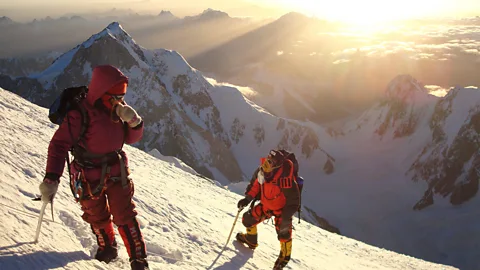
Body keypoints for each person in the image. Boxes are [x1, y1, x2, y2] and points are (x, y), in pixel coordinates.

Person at [38, 65, 149, 270]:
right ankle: (107, 247)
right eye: (114, 96)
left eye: (121, 96)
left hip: (115, 170)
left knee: (124, 214)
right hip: (88, 175)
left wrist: (135, 123)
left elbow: (130, 139)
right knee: (96, 214)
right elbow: (59, 144)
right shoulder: (79, 114)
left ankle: (138, 259)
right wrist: (52, 177)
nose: (118, 101)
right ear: (102, 92)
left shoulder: (118, 110)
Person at [236, 149, 301, 270]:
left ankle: (284, 257)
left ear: (277, 165)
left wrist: (286, 218)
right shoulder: (263, 172)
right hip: (266, 205)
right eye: (267, 160)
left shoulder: (284, 178)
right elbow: (255, 186)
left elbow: (294, 201)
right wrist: (247, 199)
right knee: (248, 219)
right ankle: (251, 240)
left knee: (284, 233)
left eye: (270, 162)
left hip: (281, 211)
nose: (266, 163)